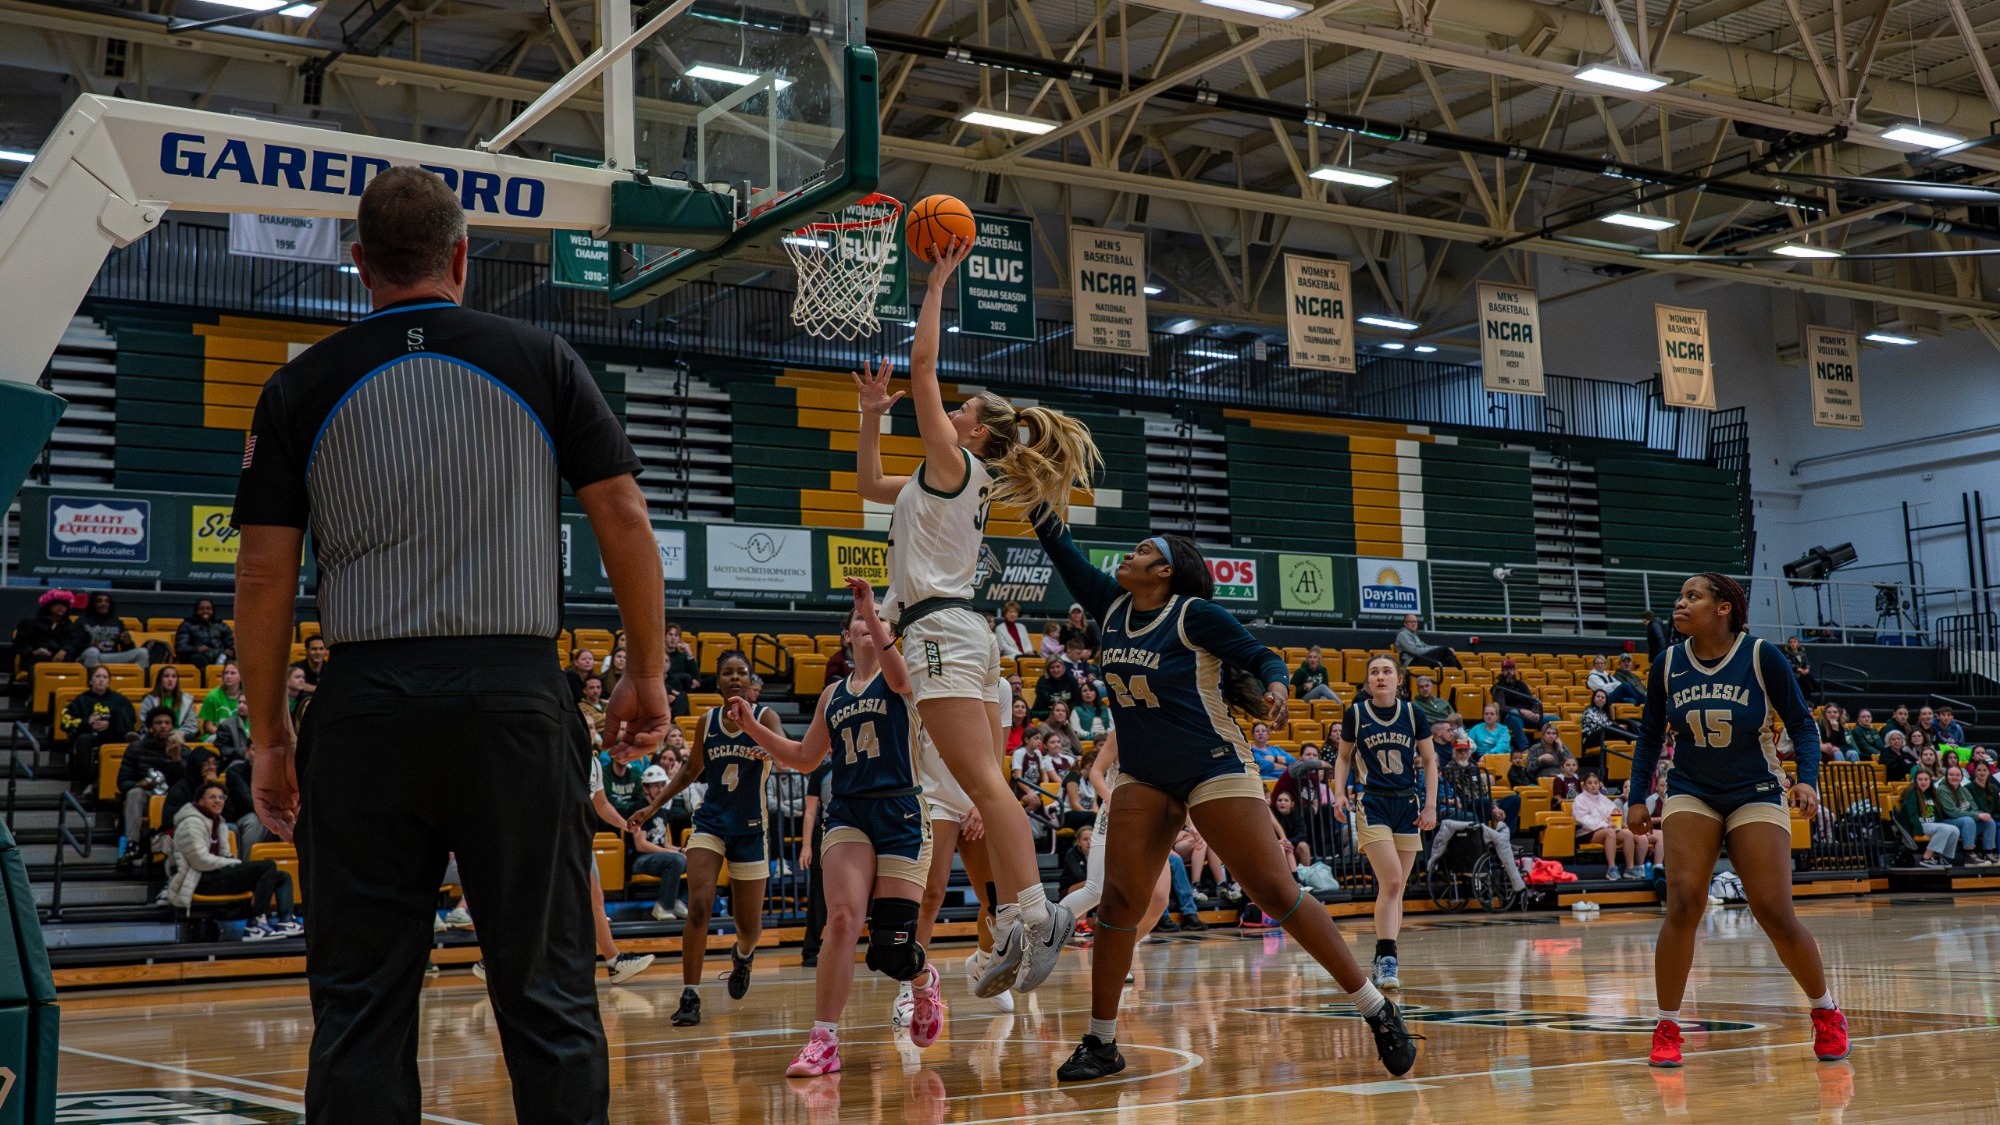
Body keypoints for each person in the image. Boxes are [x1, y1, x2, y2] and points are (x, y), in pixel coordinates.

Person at [232, 165, 668, 1125]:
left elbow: (262, 579)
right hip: (514, 700)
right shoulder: (541, 356)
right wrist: (645, 671)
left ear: (359, 266)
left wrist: (269, 734)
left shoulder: (299, 384)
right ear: (463, 256)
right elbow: (627, 519)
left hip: (364, 704)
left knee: (359, 1007)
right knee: (548, 996)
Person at [1028, 513, 1418, 1082]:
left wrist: (1279, 687)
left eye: (1141, 550)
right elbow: (1060, 548)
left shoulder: (1194, 614)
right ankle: (1102, 1042)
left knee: (1276, 892)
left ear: (1164, 571)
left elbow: (1263, 659)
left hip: (1213, 765)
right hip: (1144, 772)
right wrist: (1034, 480)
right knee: (1117, 904)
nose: (1127, 556)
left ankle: (1376, 1008)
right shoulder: (1109, 604)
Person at [851, 238, 1102, 998]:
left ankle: (1035, 915)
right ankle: (1022, 921)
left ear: (977, 432)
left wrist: (937, 281)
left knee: (985, 791)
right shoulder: (936, 479)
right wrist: (869, 415)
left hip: (944, 634)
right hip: (950, 634)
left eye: (960, 410)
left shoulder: (958, 464)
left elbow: (922, 368)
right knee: (978, 790)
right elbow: (869, 480)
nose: (947, 409)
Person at [1625, 572, 1847, 1068]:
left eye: (1692, 597)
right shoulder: (1666, 664)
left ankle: (1825, 1010)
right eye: (1680, 596)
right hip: (1691, 788)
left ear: (1723, 607)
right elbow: (1648, 737)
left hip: (1756, 789)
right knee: (1682, 902)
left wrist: (1806, 778)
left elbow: (1802, 726)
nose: (1679, 604)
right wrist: (1637, 797)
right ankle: (1666, 1025)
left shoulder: (1761, 656)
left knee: (1773, 910)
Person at [730, 580, 946, 1074]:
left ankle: (921, 980)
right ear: (847, 637)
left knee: (891, 950)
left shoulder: (902, 675)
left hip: (902, 814)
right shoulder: (832, 694)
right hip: (849, 813)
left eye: (878, 623)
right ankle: (823, 1040)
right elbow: (806, 760)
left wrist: (872, 610)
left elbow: (897, 673)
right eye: (859, 623)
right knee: (842, 920)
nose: (868, 627)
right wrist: (753, 729)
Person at [624, 652, 779, 1027]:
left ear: (750, 681)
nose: (736, 677)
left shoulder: (765, 717)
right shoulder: (707, 722)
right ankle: (690, 995)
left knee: (749, 927)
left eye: (742, 672)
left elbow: (786, 751)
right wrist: (653, 807)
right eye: (728, 672)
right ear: (719, 682)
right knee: (699, 904)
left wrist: (769, 747)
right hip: (710, 824)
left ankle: (742, 957)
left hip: (751, 829)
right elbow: (690, 771)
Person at [1334, 655, 1439, 991]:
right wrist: (1339, 793)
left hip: (1407, 803)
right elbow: (1342, 756)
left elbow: (1429, 760)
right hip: (1373, 803)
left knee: (1396, 890)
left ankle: (1384, 960)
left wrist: (1432, 805)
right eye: (1374, 672)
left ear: (1399, 679)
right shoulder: (1356, 713)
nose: (1380, 677)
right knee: (1392, 882)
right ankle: (1388, 956)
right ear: (1368, 681)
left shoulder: (1413, 714)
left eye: (1387, 671)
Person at [169, 781, 302, 940]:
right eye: (212, 797)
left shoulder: (219, 823)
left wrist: (231, 862)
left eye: (221, 797)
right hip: (199, 880)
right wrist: (234, 864)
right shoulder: (189, 823)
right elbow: (200, 861)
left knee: (282, 876)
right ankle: (256, 924)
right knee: (268, 866)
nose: (218, 800)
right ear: (200, 801)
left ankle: (286, 920)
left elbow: (226, 855)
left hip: (218, 875)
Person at [118, 707, 189, 864]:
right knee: (134, 792)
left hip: (172, 800)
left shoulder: (182, 750)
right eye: (158, 723)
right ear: (150, 727)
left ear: (172, 727)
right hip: (147, 798)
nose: (163, 726)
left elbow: (190, 782)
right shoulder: (136, 748)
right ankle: (132, 845)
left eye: (167, 723)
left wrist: (177, 760)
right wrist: (138, 783)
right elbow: (122, 782)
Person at [61, 664, 138, 798]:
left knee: (118, 715)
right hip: (91, 736)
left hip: (115, 736)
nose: (101, 680)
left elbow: (131, 718)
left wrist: (110, 722)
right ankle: (87, 782)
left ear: (109, 681)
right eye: (97, 676)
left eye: (105, 677)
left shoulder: (120, 700)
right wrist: (87, 722)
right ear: (90, 680)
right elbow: (65, 721)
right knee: (83, 739)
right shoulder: (82, 700)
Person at [1572, 772, 1639, 879]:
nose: (1593, 785)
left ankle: (1630, 868)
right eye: (1590, 783)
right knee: (1610, 832)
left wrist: (1614, 822)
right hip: (1587, 833)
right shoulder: (1580, 799)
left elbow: (1614, 813)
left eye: (1595, 783)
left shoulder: (1603, 799)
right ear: (1584, 785)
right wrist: (1605, 824)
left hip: (1607, 829)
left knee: (1627, 833)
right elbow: (1583, 819)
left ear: (1599, 784)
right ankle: (1612, 868)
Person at [11, 589, 86, 677]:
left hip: (61, 660)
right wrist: (33, 652)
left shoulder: (70, 625)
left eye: (65, 605)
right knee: (37, 668)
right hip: (35, 659)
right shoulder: (30, 622)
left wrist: (64, 650)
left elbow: (74, 642)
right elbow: (19, 644)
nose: (62, 607)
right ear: (49, 605)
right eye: (58, 604)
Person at [1897, 768, 1958, 867]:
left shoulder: (1932, 793)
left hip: (1932, 824)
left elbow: (1936, 814)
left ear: (1930, 781)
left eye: (1926, 779)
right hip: (1920, 824)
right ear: (1915, 780)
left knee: (1955, 830)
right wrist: (1918, 830)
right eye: (1920, 779)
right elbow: (1912, 815)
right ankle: (1926, 858)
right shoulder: (1912, 793)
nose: (1923, 782)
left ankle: (1941, 856)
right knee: (1944, 829)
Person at [76, 591, 149, 674]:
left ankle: (139, 682)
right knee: (92, 651)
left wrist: (128, 643)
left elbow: (126, 648)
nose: (104, 604)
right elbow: (76, 644)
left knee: (142, 652)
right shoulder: (83, 621)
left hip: (111, 656)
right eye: (99, 601)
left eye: (107, 601)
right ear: (93, 604)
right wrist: (91, 645)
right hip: (92, 656)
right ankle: (95, 682)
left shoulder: (117, 622)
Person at [1935, 764, 1992, 865]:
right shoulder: (1942, 790)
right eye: (1951, 774)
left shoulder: (1964, 790)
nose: (1954, 777)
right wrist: (1976, 815)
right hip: (1948, 821)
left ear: (1962, 777)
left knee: (1989, 821)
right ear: (1946, 776)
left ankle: (1988, 853)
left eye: (1957, 775)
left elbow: (1974, 808)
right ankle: (1969, 855)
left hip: (1965, 823)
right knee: (1968, 820)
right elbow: (1952, 812)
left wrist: (1981, 814)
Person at [141, 665, 200, 741]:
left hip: (179, 735)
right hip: (157, 735)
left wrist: (175, 734)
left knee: (192, 738)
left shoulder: (186, 700)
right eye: (166, 676)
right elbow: (146, 724)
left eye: (174, 677)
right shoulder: (150, 700)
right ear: (160, 680)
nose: (170, 680)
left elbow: (192, 726)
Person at [174, 599, 235, 666]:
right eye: (201, 609)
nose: (205, 611)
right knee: (197, 658)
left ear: (213, 611)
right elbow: (180, 647)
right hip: (198, 657)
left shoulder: (221, 626)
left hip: (220, 657)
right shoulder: (187, 625)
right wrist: (196, 649)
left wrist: (231, 650)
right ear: (196, 611)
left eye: (208, 609)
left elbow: (232, 644)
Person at [1393, 614, 1460, 669]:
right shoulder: (1403, 635)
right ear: (1405, 624)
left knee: (1449, 659)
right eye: (1411, 622)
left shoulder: (1414, 635)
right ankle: (1461, 670)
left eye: (1415, 622)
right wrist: (1439, 650)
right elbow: (1415, 651)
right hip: (1412, 662)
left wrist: (1437, 648)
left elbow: (1425, 646)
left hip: (1421, 658)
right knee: (1445, 649)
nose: (1413, 624)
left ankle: (1459, 679)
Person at [1966, 760, 2000, 866]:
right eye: (1979, 770)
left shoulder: (1993, 788)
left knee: (1994, 822)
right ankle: (1988, 853)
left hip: (1992, 818)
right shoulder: (1968, 788)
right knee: (1991, 823)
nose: (1982, 773)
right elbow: (1968, 808)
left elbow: (1997, 809)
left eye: (1984, 770)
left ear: (1989, 772)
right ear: (1974, 772)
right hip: (1975, 819)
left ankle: (1991, 854)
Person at [198, 663, 244, 736]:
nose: (228, 676)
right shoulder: (212, 696)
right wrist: (227, 734)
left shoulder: (248, 697)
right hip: (217, 735)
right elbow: (208, 726)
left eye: (233, 673)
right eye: (226, 673)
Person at [1032, 655, 1080, 719]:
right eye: (1052, 667)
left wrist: (1063, 708)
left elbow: (1076, 701)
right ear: (1047, 669)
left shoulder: (1071, 679)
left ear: (1063, 667)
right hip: (1047, 714)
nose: (1056, 670)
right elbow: (1041, 703)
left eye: (1058, 666)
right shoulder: (1042, 681)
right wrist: (1055, 710)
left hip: (1067, 712)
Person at [1069, 680, 1114, 745]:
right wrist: (1093, 735)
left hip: (1107, 739)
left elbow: (1113, 727)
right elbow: (1076, 730)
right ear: (1080, 694)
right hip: (1087, 742)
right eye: (1085, 691)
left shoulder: (1105, 709)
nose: (1088, 693)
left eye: (1091, 690)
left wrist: (1105, 734)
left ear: (1096, 692)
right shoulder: (1076, 710)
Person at [1781, 636, 1819, 700]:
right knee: (1802, 680)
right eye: (1791, 642)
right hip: (1794, 674)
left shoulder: (1802, 653)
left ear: (1798, 643)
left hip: (1803, 673)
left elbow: (1806, 663)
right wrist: (1798, 669)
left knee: (1809, 676)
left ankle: (1814, 691)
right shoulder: (1786, 654)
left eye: (1794, 642)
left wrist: (1807, 669)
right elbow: (1788, 664)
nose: (1793, 644)